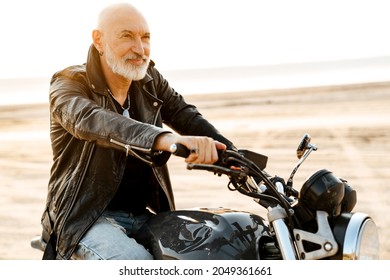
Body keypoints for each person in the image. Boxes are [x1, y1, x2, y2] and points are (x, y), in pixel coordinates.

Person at [40, 2, 235, 260]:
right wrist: (163, 138)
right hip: (84, 218)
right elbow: (92, 120)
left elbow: (186, 116)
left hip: (142, 214)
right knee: (137, 265)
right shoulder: (68, 83)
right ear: (99, 40)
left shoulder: (149, 79)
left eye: (145, 37)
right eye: (126, 36)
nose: (140, 49)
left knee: (215, 245)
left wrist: (232, 154)